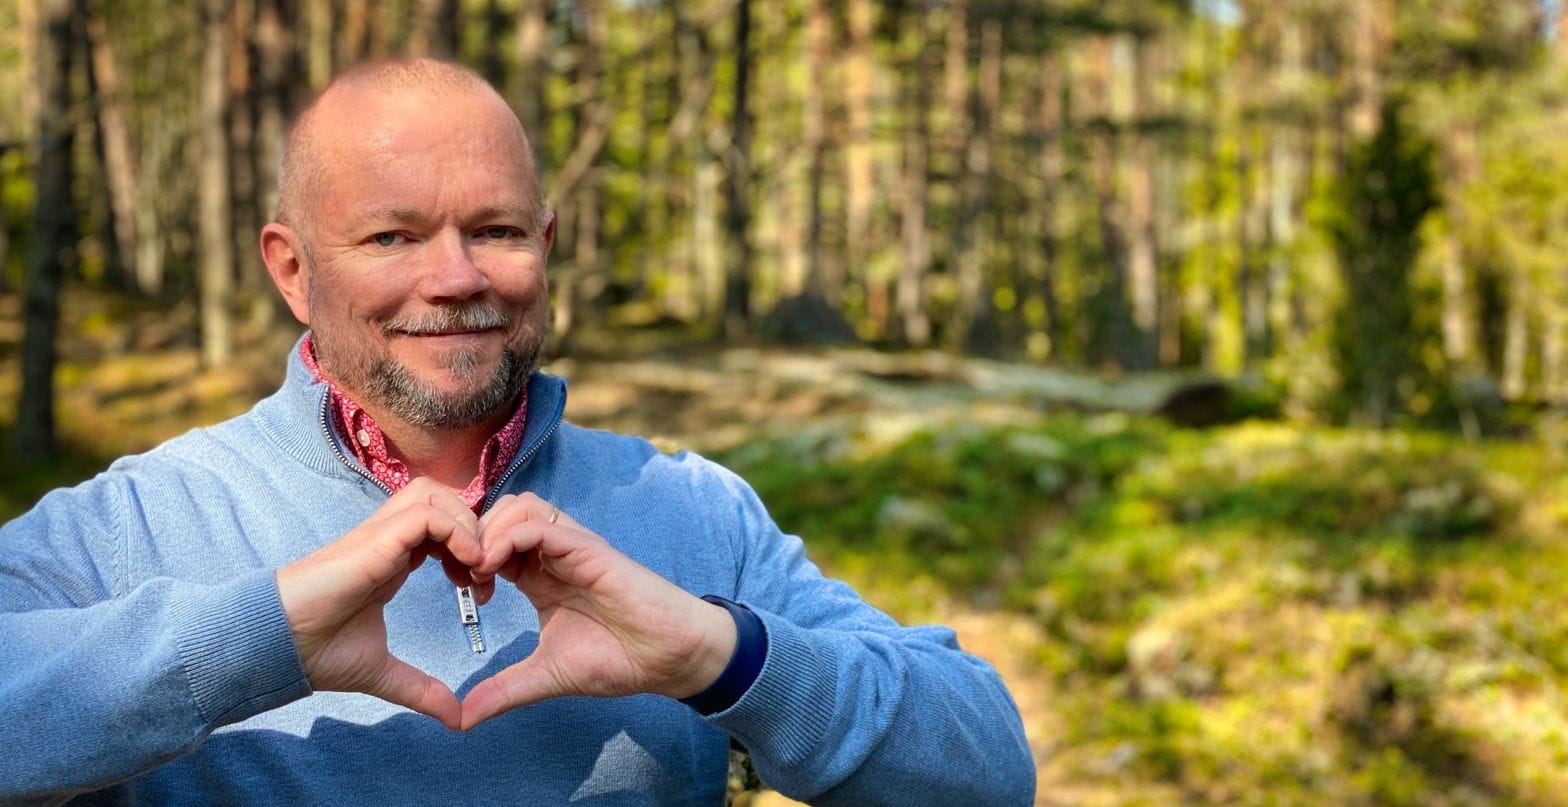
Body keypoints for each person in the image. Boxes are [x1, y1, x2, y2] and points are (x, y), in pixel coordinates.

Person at [0, 58, 1034, 805]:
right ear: (292, 269)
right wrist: (251, 639)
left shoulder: (690, 511)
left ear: (545, 244)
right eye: (391, 236)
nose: (455, 277)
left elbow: (986, 769)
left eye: (493, 230)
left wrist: (719, 657)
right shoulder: (136, 523)